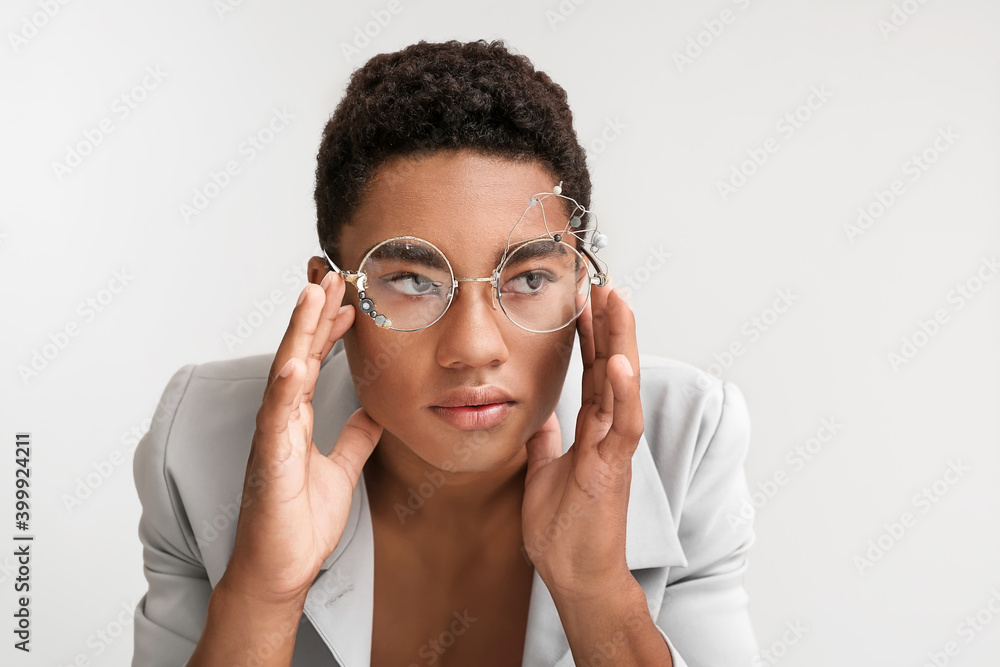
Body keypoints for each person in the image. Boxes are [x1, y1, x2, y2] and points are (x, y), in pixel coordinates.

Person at [131, 39, 758, 667]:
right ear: (332, 295)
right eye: (411, 282)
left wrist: (596, 592)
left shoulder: (688, 442)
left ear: (581, 285)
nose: (475, 349)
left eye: (531, 279)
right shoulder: (194, 444)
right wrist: (262, 594)